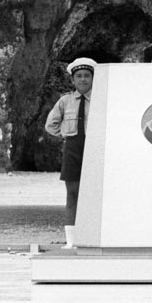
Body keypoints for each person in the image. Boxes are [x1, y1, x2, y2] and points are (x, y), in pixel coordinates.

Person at [45, 57, 97, 248]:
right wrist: (67, 135)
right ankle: (71, 240)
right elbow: (51, 125)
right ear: (73, 80)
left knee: (94, 194)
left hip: (95, 150)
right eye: (79, 76)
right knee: (72, 193)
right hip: (72, 149)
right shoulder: (65, 101)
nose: (83, 80)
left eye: (87, 76)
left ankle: (93, 237)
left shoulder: (101, 100)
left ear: (93, 78)